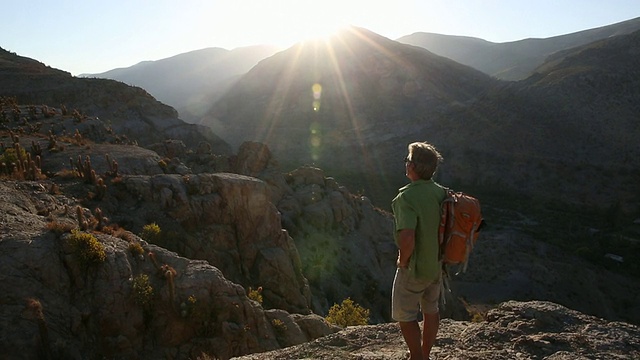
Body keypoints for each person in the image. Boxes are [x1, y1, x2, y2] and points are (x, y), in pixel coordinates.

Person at [391, 141, 446, 360]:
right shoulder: (441, 192)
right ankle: (425, 353)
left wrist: (403, 261)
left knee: (406, 314)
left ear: (413, 166)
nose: (405, 164)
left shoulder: (406, 197)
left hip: (415, 268)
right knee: (431, 310)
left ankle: (417, 357)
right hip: (436, 265)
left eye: (407, 160)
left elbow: (407, 237)